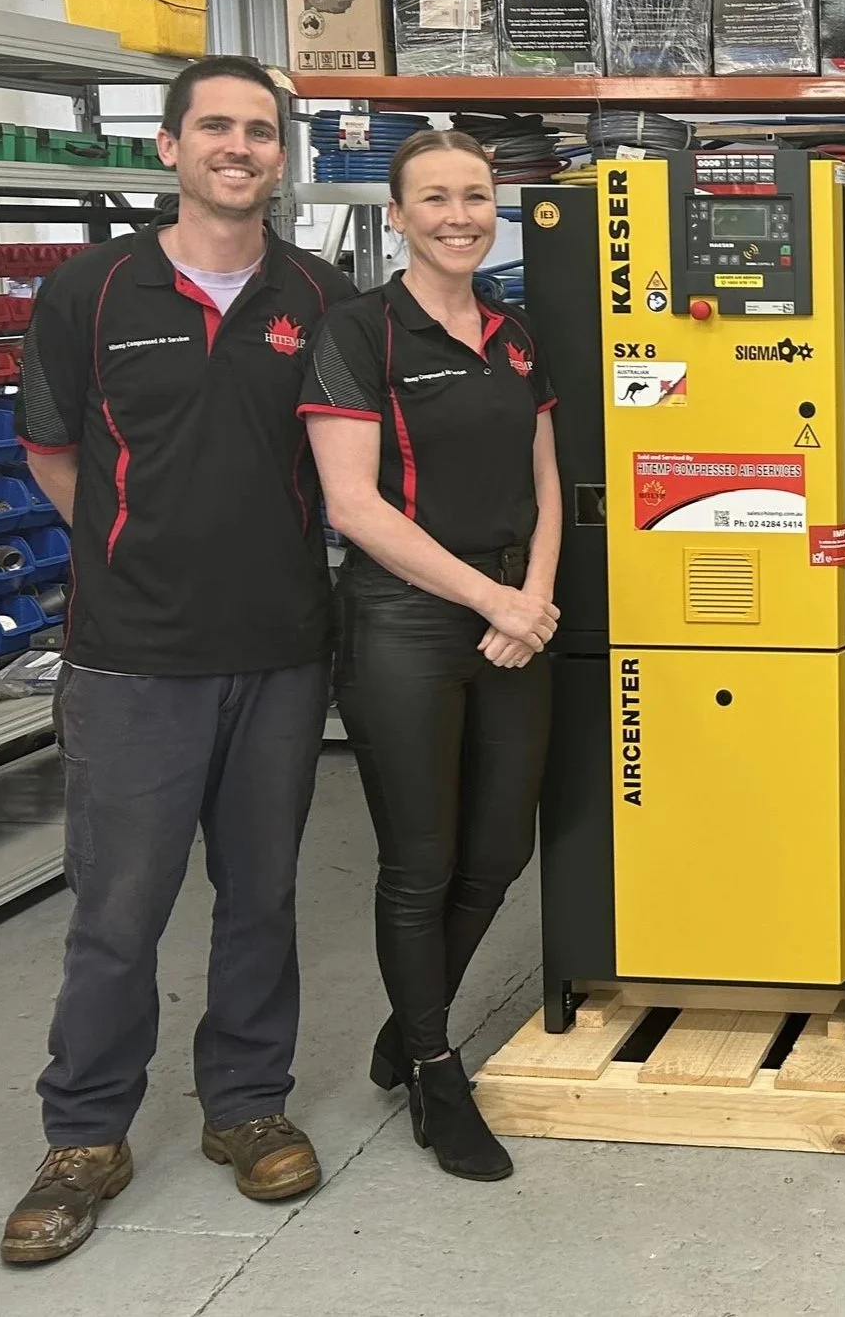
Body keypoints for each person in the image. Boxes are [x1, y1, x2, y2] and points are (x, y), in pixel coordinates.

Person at [4, 56, 360, 1264]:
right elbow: (55, 454)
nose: (240, 146)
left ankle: (246, 1105)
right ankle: (85, 1135)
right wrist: (133, 552)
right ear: (168, 146)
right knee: (118, 911)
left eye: (261, 131)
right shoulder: (90, 290)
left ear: (280, 155)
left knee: (260, 895)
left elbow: (346, 467)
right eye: (216, 125)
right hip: (133, 660)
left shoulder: (320, 294)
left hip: (278, 650)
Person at [300, 130, 560, 1181]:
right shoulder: (358, 331)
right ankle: (436, 1068)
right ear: (396, 215)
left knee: (498, 851)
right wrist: (494, 595)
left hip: (513, 615)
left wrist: (533, 598)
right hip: (403, 621)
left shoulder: (515, 331)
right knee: (421, 862)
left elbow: (546, 480)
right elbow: (352, 503)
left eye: (476, 195)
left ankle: (407, 1028)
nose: (460, 214)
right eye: (435, 198)